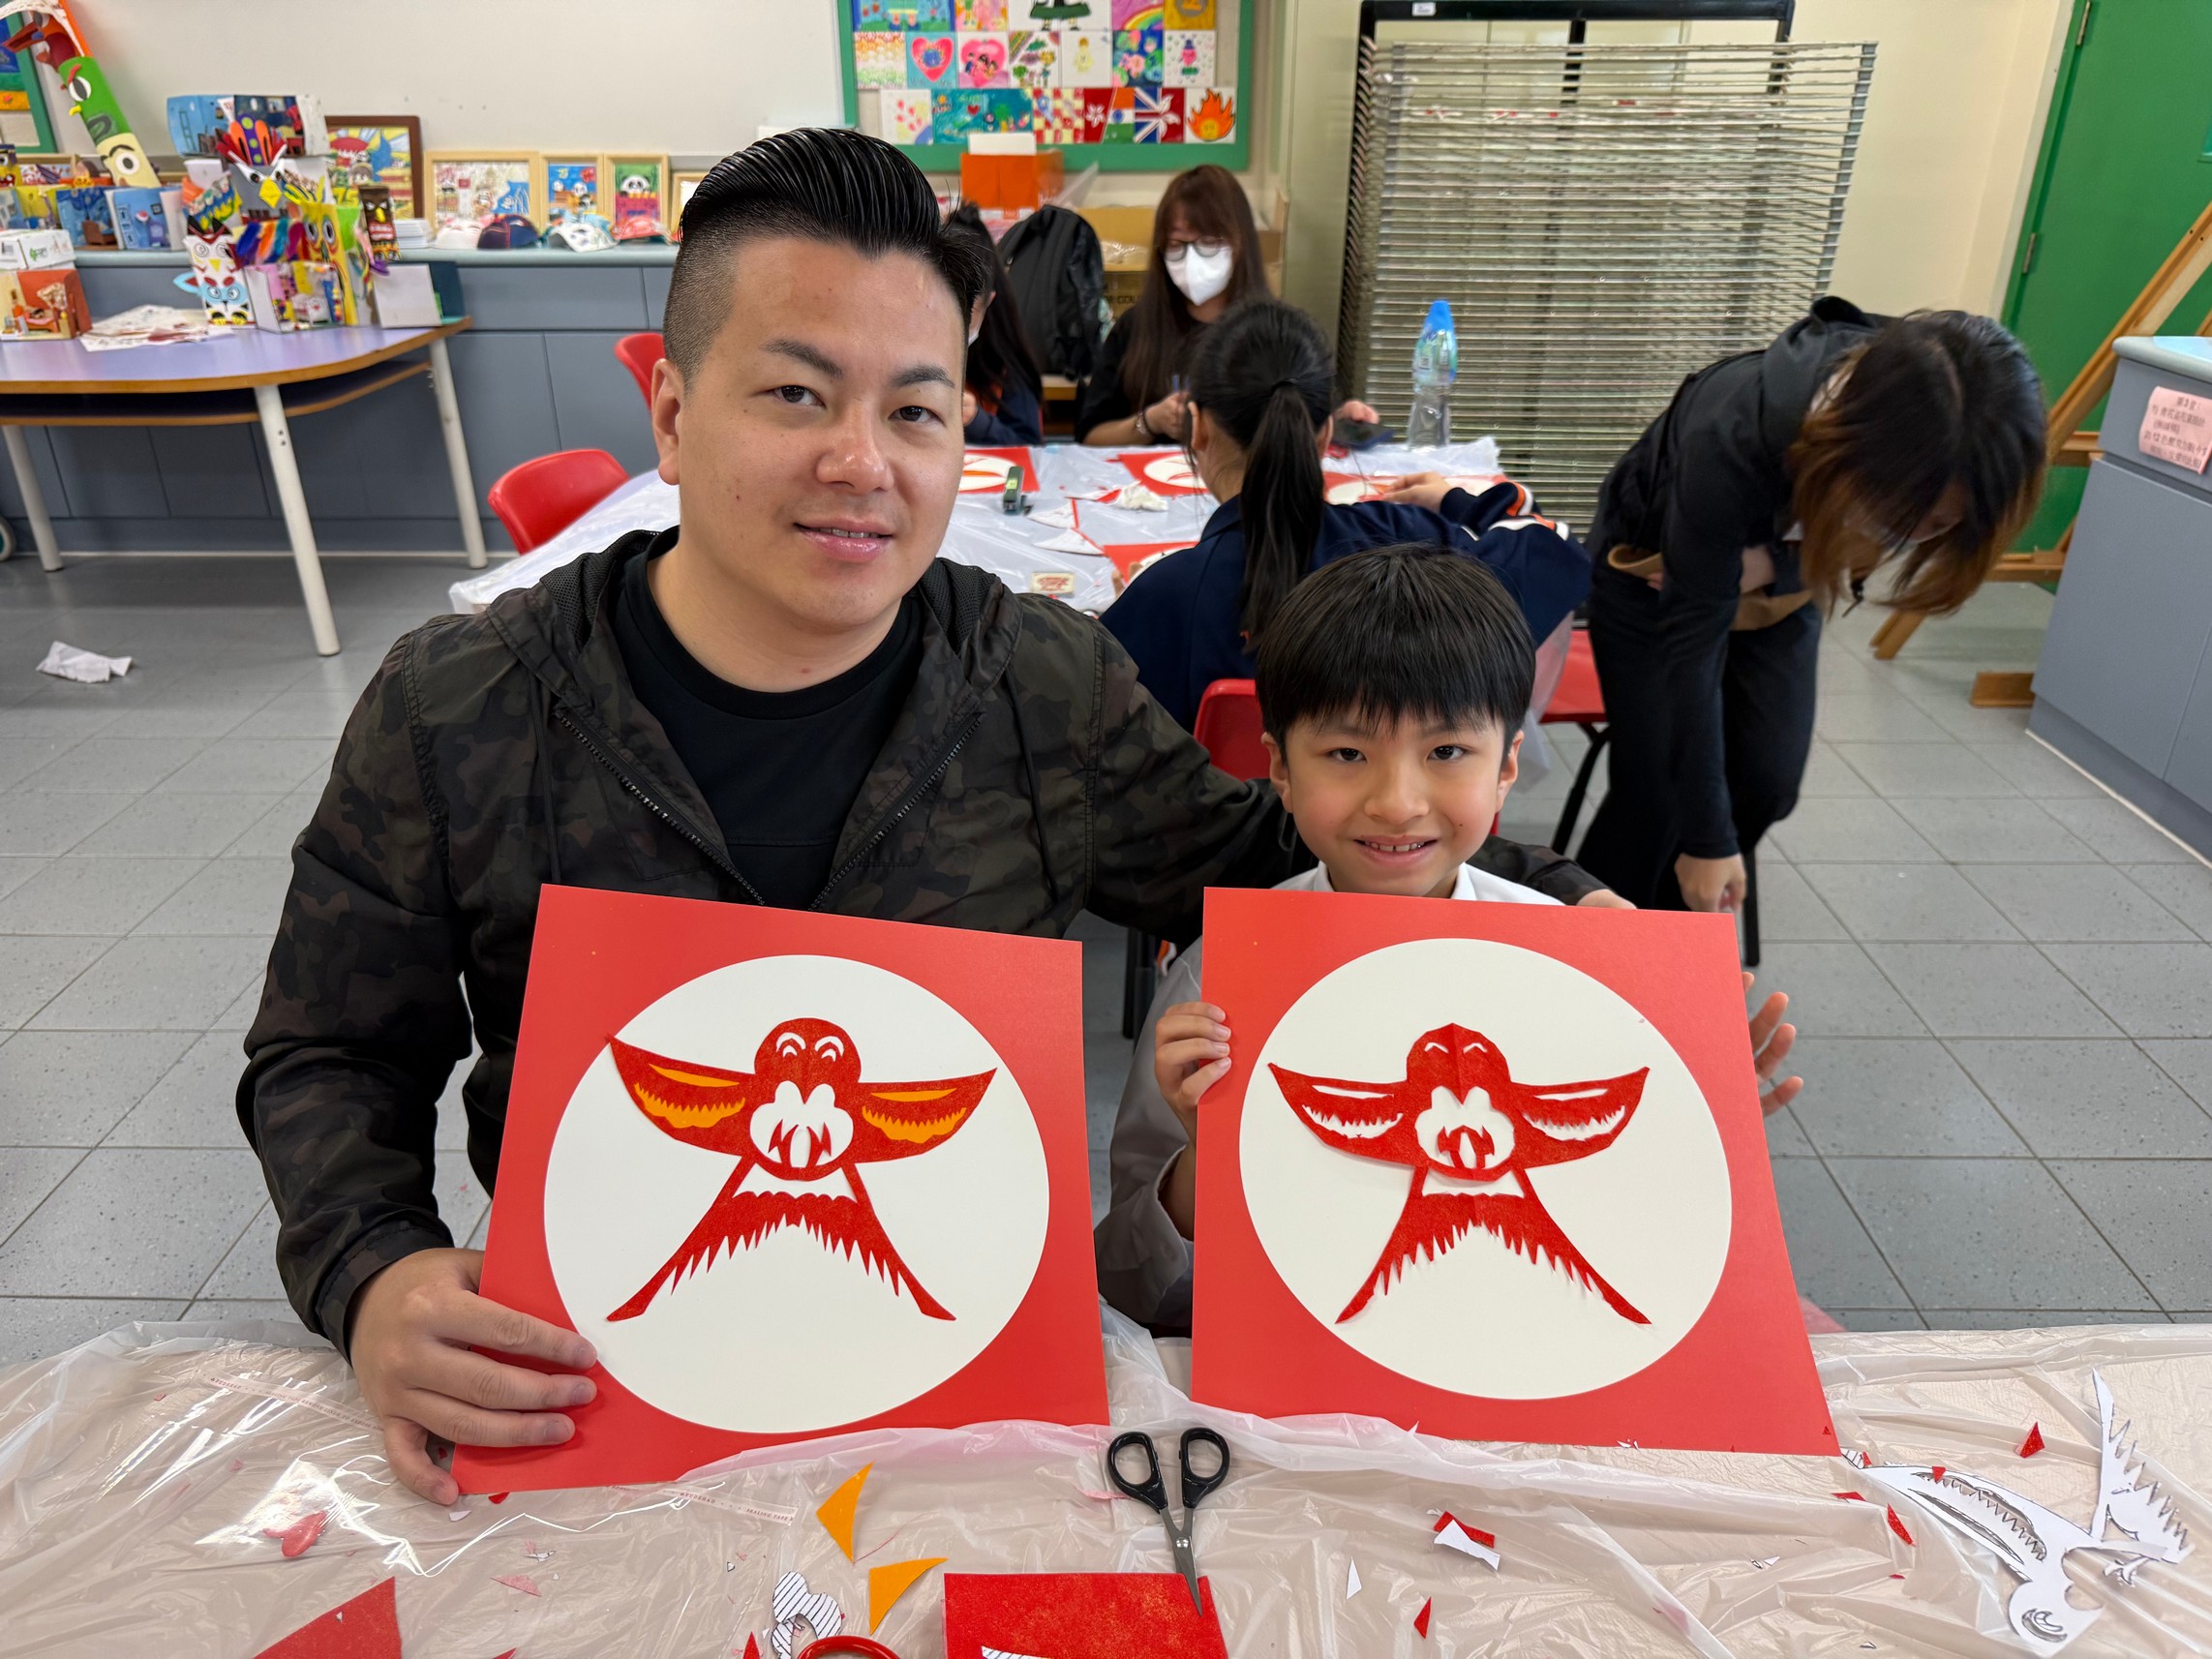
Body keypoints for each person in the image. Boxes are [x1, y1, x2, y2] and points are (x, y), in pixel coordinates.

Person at [237, 128, 1611, 1506]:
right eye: (795, 393)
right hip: (600, 1390)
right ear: (670, 413)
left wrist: (1575, 914)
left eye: (915, 411)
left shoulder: (1037, 687)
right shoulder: (464, 705)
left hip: (956, 1408)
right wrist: (374, 1272)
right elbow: (328, 1049)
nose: (861, 462)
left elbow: (1280, 859)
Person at [1095, 547, 1804, 1330]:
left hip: (1529, 1340)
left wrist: (1692, 1122)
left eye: (1446, 753)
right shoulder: (1217, 981)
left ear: (1505, 767)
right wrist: (1208, 1151)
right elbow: (1129, 1283)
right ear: (1280, 771)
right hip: (1306, 1354)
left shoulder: (1567, 965)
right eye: (1345, 754)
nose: (1397, 802)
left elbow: (1633, 1230)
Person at [1574, 299, 2046, 912]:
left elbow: (1845, 544)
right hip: (1656, 584)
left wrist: (1774, 563)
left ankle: (1674, 927)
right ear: (1858, 456)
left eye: (1943, 525)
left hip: (1779, 589)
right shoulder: (1735, 427)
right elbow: (1692, 643)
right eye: (1916, 517)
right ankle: (1597, 933)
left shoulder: (1944, 416)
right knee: (1658, 791)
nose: (1920, 537)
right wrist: (1709, 840)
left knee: (1767, 780)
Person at [1101, 298, 1591, 730]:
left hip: (1229, 810)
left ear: (1197, 428)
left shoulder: (1168, 595)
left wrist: (1140, 607)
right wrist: (1455, 502)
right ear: (1324, 434)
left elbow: (1100, 743)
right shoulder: (1413, 549)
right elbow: (1559, 548)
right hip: (1402, 807)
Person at [1072, 164, 1379, 446]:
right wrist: (1149, 422)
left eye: (1208, 243)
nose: (1191, 259)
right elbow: (1089, 435)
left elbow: (1315, 417)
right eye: (1177, 244)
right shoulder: (1137, 327)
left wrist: (1342, 418)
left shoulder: (1278, 332)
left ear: (1240, 242)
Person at [945, 203, 1044, 445]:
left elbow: (1029, 444)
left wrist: (977, 420)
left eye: (965, 310)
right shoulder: (901, 354)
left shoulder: (1005, 364)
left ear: (988, 302)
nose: (948, 325)